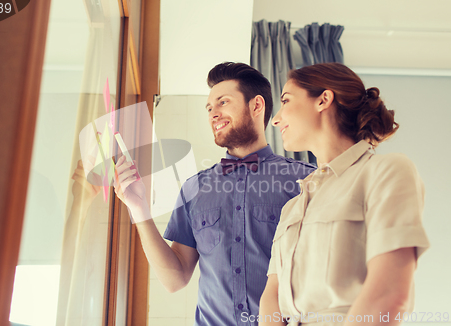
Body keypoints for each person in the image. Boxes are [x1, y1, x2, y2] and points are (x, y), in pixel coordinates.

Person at [113, 62, 315, 325]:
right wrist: (138, 209)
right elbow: (175, 280)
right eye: (209, 108)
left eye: (223, 102)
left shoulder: (306, 180)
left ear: (256, 106)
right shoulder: (194, 189)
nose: (213, 114)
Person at [259, 63, 430, 326]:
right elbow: (272, 298)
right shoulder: (292, 207)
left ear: (323, 100)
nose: (276, 118)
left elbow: (389, 295)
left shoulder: (386, 171)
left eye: (286, 101)